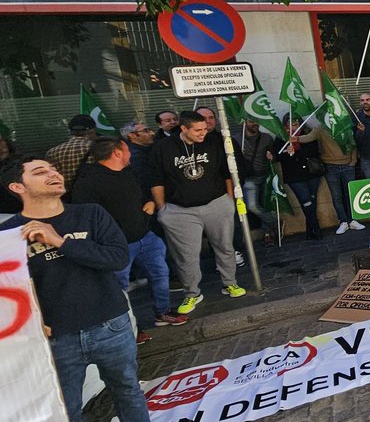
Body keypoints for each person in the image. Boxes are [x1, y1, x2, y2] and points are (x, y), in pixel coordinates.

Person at [0, 157, 182, 422]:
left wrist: (60, 241)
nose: (53, 174)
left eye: (53, 169)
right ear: (17, 187)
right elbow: (8, 292)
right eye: (40, 172)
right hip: (57, 337)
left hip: (110, 322)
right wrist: (33, 322)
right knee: (67, 408)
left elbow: (117, 258)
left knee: (127, 388)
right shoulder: (8, 235)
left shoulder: (90, 214)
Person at [71, 138, 183, 335]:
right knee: (119, 287)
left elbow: (140, 193)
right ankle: (128, 328)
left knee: (160, 273)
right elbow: (86, 218)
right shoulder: (88, 182)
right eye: (127, 149)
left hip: (145, 236)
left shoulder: (128, 172)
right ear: (117, 153)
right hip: (116, 245)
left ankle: (163, 312)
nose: (130, 153)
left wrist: (149, 202)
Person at [148, 109, 245, 314]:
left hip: (216, 202)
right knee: (186, 255)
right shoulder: (163, 147)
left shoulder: (213, 142)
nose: (203, 133)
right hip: (179, 209)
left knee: (225, 246)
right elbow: (156, 179)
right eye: (198, 130)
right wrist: (162, 209)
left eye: (205, 129)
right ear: (184, 128)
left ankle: (230, 283)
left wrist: (229, 200)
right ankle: (192, 293)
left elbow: (226, 172)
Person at [270, 118, 325, 239]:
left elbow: (314, 151)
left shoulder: (308, 133)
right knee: (306, 200)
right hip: (294, 175)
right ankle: (316, 228)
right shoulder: (281, 137)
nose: (292, 127)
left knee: (311, 200)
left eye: (295, 124)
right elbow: (277, 156)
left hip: (311, 172)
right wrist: (285, 153)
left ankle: (310, 230)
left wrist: (296, 151)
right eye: (289, 125)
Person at [315, 125, 364, 234]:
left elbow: (353, 144)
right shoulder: (320, 129)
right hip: (330, 166)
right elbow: (309, 137)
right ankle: (343, 221)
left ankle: (353, 220)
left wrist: (353, 161)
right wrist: (296, 138)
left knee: (350, 194)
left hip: (348, 165)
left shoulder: (345, 126)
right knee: (336, 196)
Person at [234, 119, 276, 243]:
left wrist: (272, 157)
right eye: (251, 121)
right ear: (244, 123)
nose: (255, 124)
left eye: (256, 121)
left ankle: (267, 233)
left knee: (264, 206)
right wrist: (238, 155)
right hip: (249, 179)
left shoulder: (266, 138)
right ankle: (275, 222)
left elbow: (273, 154)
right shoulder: (236, 139)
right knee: (252, 206)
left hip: (265, 176)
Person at [46, 113, 97, 192]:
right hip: (94, 193)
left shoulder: (52, 152)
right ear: (91, 131)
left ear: (70, 131)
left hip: (66, 195)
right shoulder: (99, 149)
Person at [120, 120, 157, 196]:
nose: (152, 133)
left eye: (150, 130)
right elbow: (143, 181)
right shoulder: (134, 155)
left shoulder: (150, 148)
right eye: (146, 131)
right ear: (132, 135)